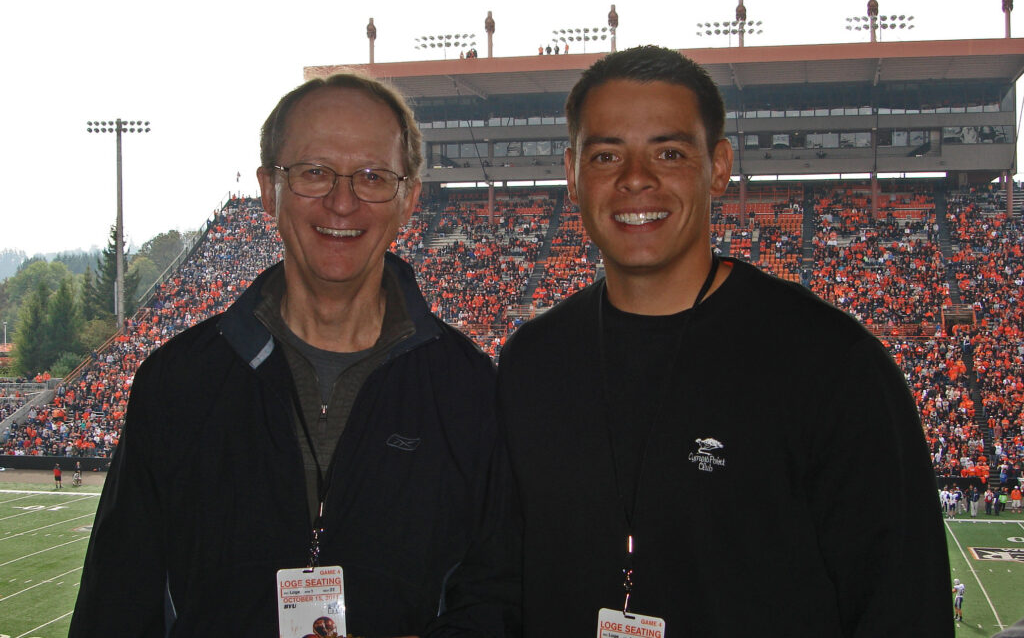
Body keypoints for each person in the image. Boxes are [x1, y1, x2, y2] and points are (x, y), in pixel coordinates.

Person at [497, 45, 951, 636]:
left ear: (718, 166)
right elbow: (497, 582)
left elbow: (903, 608)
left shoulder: (832, 364)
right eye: (607, 154)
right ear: (572, 174)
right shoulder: (531, 361)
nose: (636, 178)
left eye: (669, 151)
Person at [70, 72, 515, 636]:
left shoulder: (468, 388)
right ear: (267, 190)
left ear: (408, 200)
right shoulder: (178, 382)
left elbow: (497, 596)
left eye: (373, 176)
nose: (342, 200)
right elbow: (116, 602)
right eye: (313, 172)